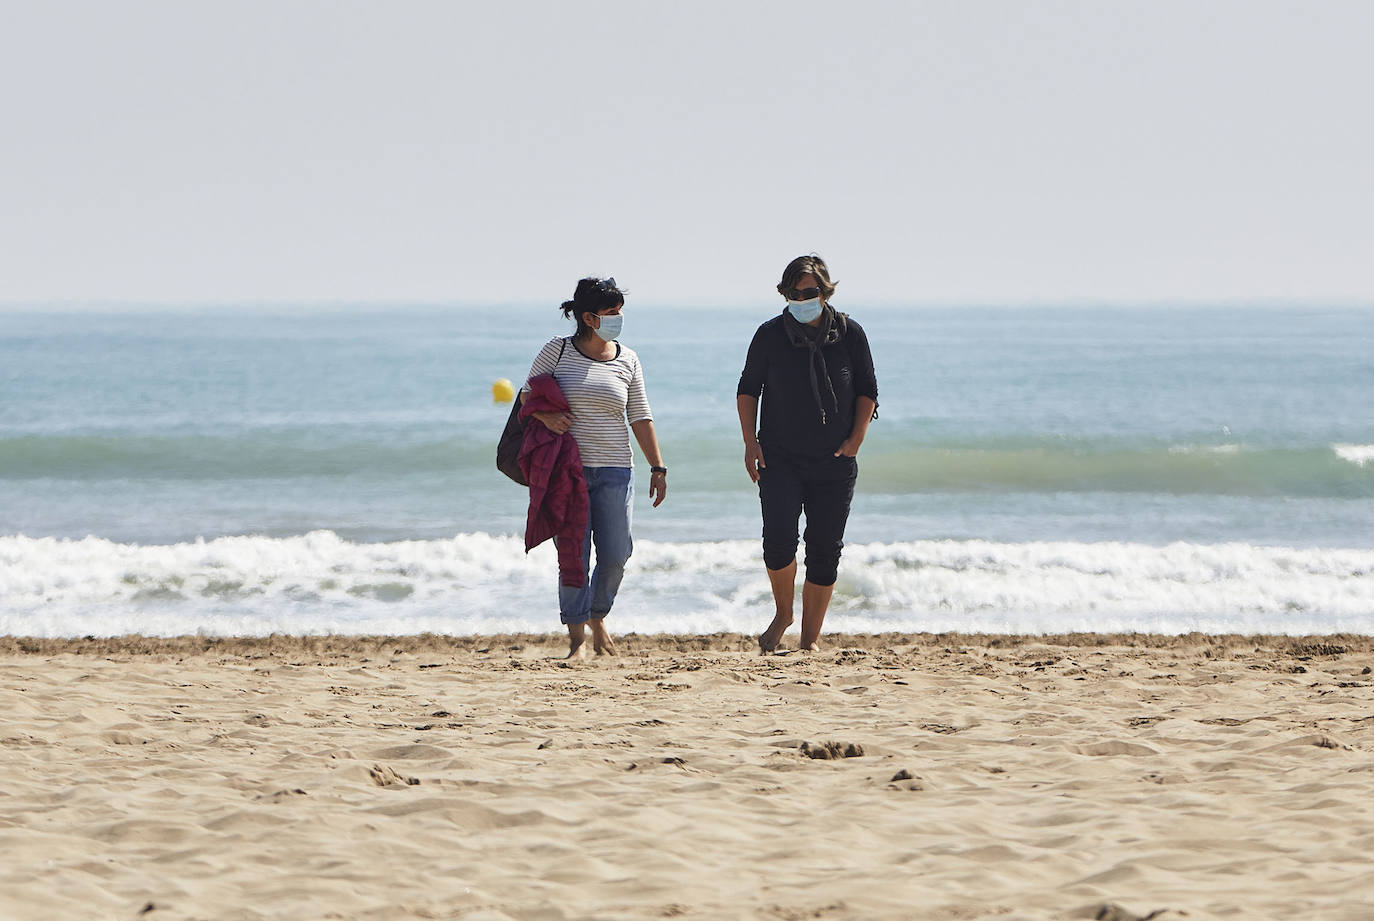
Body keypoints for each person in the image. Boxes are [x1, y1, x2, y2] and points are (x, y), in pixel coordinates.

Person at [736, 255, 878, 653]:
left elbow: (868, 390)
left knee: (824, 549)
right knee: (779, 541)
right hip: (779, 458)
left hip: (834, 462)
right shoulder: (769, 335)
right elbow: (748, 390)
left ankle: (809, 641)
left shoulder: (850, 334)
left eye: (810, 292)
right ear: (785, 294)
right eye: (795, 294)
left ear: (825, 291)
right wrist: (751, 442)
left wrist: (855, 441)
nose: (802, 300)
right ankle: (784, 613)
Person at [521, 277, 667, 659]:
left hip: (617, 471)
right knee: (573, 555)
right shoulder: (557, 351)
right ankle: (577, 640)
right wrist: (548, 418)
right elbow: (526, 395)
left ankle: (597, 614)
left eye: (620, 312)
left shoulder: (628, 358)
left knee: (617, 554)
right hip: (567, 472)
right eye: (610, 313)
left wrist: (658, 467)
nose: (618, 318)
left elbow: (640, 415)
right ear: (588, 317)